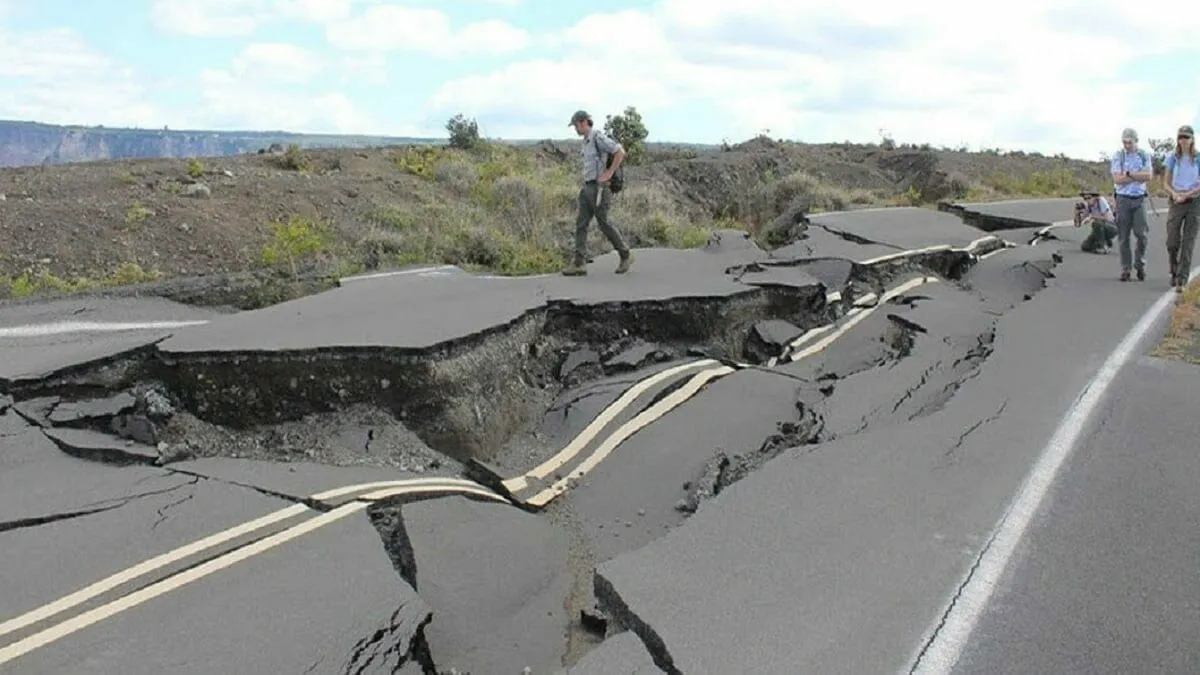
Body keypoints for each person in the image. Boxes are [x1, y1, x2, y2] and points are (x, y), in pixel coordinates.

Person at [561, 109, 633, 276]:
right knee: (581, 224)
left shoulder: (598, 138)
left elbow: (619, 151)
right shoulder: (586, 141)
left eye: (576, 126)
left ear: (584, 122)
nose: (576, 129)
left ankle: (625, 255)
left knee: (604, 223)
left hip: (600, 189)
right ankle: (579, 263)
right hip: (588, 188)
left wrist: (609, 173)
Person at [1110, 127, 1154, 281]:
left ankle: (1139, 263)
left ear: (1136, 141)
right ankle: (1125, 268)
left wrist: (1129, 174)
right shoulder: (1118, 156)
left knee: (1141, 234)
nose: (1126, 145)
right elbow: (1117, 179)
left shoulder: (1143, 155)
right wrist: (1137, 176)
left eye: (1129, 142)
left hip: (1138, 198)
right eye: (1124, 142)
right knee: (1123, 236)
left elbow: (1148, 176)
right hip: (1123, 198)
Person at [1164, 124, 1200, 291]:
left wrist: (1187, 194)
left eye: (1186, 137)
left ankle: (1182, 278)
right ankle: (1174, 269)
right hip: (1176, 200)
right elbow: (1166, 182)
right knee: (1172, 240)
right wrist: (1174, 194)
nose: (1183, 140)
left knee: (1188, 241)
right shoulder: (1173, 158)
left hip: (1193, 201)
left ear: (1192, 139)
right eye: (1181, 137)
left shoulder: (1198, 158)